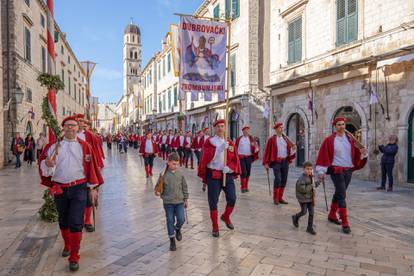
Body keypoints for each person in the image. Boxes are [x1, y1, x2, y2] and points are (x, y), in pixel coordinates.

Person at [38, 115, 103, 271]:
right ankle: (67, 245)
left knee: (75, 221)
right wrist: (47, 164)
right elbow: (45, 169)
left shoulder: (85, 146)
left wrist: (93, 188)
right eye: (67, 125)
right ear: (63, 128)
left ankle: (74, 256)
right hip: (60, 188)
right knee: (63, 220)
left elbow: (91, 167)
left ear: (77, 128)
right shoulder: (52, 147)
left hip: (79, 188)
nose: (71, 128)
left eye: (73, 125)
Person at [316, 117, 368, 234]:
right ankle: (345, 222)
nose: (342, 127)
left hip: (348, 170)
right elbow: (323, 155)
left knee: (339, 192)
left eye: (343, 124)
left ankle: (331, 215)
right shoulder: (329, 140)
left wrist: (363, 152)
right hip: (336, 170)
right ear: (335, 126)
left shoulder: (350, 139)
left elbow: (356, 151)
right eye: (339, 124)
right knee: (342, 194)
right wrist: (321, 171)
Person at [198, 119, 241, 237]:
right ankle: (215, 227)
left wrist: (230, 168)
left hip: (227, 174)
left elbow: (234, 159)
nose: (221, 128)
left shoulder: (230, 143)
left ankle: (226, 216)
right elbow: (206, 159)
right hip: (214, 175)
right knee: (213, 202)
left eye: (223, 126)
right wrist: (219, 149)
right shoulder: (209, 142)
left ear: (225, 128)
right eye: (218, 126)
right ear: (215, 128)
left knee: (232, 198)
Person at [154, 152, 189, 251]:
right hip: (168, 202)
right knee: (170, 220)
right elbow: (157, 187)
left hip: (179, 202)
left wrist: (186, 199)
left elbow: (184, 187)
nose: (176, 166)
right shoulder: (163, 174)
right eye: (174, 164)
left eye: (177, 164)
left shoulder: (180, 174)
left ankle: (177, 228)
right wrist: (157, 191)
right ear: (168, 163)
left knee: (181, 219)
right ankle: (172, 240)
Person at [263, 122, 296, 205]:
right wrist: (266, 163)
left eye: (282, 128)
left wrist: (293, 149)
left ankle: (280, 197)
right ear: (276, 129)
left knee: (284, 180)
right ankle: (275, 198)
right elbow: (267, 151)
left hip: (285, 161)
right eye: (280, 128)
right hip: (276, 162)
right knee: (278, 179)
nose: (282, 129)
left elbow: (290, 149)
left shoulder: (286, 139)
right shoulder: (271, 140)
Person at [292, 161, 319, 235]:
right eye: (307, 169)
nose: (309, 171)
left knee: (312, 213)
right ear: (303, 169)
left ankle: (309, 228)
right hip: (303, 198)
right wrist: (312, 185)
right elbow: (303, 190)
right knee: (304, 212)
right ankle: (295, 217)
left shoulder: (311, 177)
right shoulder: (302, 178)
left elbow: (313, 186)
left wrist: (318, 182)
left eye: (310, 169)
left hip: (310, 198)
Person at [235, 126, 259, 193]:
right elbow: (235, 148)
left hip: (249, 157)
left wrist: (256, 147)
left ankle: (246, 187)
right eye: (245, 130)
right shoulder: (239, 139)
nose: (246, 131)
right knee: (243, 172)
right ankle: (243, 187)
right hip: (241, 157)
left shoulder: (251, 139)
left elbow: (255, 147)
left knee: (248, 172)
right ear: (243, 131)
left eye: (247, 130)